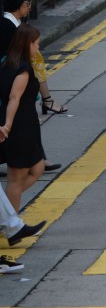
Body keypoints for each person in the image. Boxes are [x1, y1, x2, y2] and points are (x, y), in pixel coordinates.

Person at [0, 25, 46, 211]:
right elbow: (14, 98)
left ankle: (8, 213)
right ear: (27, 44)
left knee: (37, 168)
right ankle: (11, 221)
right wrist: (8, 125)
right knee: (16, 179)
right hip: (20, 127)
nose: (38, 48)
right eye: (36, 44)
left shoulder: (7, 62)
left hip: (26, 125)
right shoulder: (23, 69)